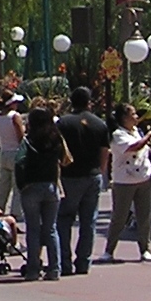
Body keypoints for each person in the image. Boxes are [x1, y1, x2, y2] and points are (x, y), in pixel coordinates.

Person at [55, 87, 109, 276]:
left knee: (64, 219)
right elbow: (104, 152)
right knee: (88, 221)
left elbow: (57, 149)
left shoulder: (63, 123)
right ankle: (83, 262)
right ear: (89, 102)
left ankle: (64, 262)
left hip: (69, 176)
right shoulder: (99, 124)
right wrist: (101, 172)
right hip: (92, 175)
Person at [15, 100, 68, 281]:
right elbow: (65, 159)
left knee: (33, 229)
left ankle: (33, 269)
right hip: (51, 186)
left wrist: (22, 185)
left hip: (31, 186)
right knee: (51, 228)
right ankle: (54, 269)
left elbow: (19, 162)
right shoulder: (55, 139)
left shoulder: (28, 141)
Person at [100, 104, 151, 263]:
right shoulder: (118, 135)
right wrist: (148, 137)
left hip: (143, 178)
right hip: (124, 181)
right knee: (119, 217)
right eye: (133, 114)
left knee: (144, 216)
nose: (136, 117)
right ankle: (109, 250)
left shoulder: (137, 132)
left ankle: (145, 249)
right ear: (124, 118)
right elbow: (133, 147)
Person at [0, 90, 27, 226]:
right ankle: (16, 213)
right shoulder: (14, 116)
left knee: (2, 185)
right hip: (15, 153)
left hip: (3, 152)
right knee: (18, 185)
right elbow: (20, 137)